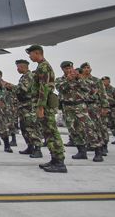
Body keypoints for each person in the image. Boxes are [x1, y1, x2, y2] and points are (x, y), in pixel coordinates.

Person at [25, 45, 66, 173]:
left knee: (52, 132)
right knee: (47, 132)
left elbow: (44, 88)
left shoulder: (43, 67)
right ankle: (54, 159)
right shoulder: (41, 66)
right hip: (44, 104)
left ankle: (59, 162)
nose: (30, 56)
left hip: (45, 105)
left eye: (31, 54)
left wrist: (41, 106)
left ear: (37, 53)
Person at [57, 61, 103, 162]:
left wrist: (78, 79)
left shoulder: (80, 79)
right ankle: (81, 151)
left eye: (70, 68)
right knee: (74, 130)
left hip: (80, 106)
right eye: (66, 68)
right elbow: (60, 88)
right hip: (67, 108)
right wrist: (68, 80)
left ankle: (98, 151)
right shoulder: (60, 80)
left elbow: (88, 89)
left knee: (89, 128)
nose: (68, 70)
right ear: (62, 70)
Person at [80, 62, 110, 154]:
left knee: (98, 127)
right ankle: (91, 144)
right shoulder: (79, 80)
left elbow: (103, 94)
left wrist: (105, 107)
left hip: (94, 106)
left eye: (88, 67)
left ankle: (103, 146)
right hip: (82, 106)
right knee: (86, 127)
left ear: (91, 69)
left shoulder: (96, 80)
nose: (86, 69)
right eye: (84, 68)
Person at [14, 59, 42, 157]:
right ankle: (30, 147)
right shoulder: (24, 77)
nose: (17, 69)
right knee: (24, 127)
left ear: (22, 67)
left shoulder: (29, 76)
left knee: (31, 127)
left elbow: (23, 89)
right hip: (23, 106)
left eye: (18, 67)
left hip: (29, 106)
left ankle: (38, 149)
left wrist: (10, 86)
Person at [0, 70, 15, 153]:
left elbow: (3, 91)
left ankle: (7, 145)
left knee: (1, 124)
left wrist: (1, 100)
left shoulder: (0, 82)